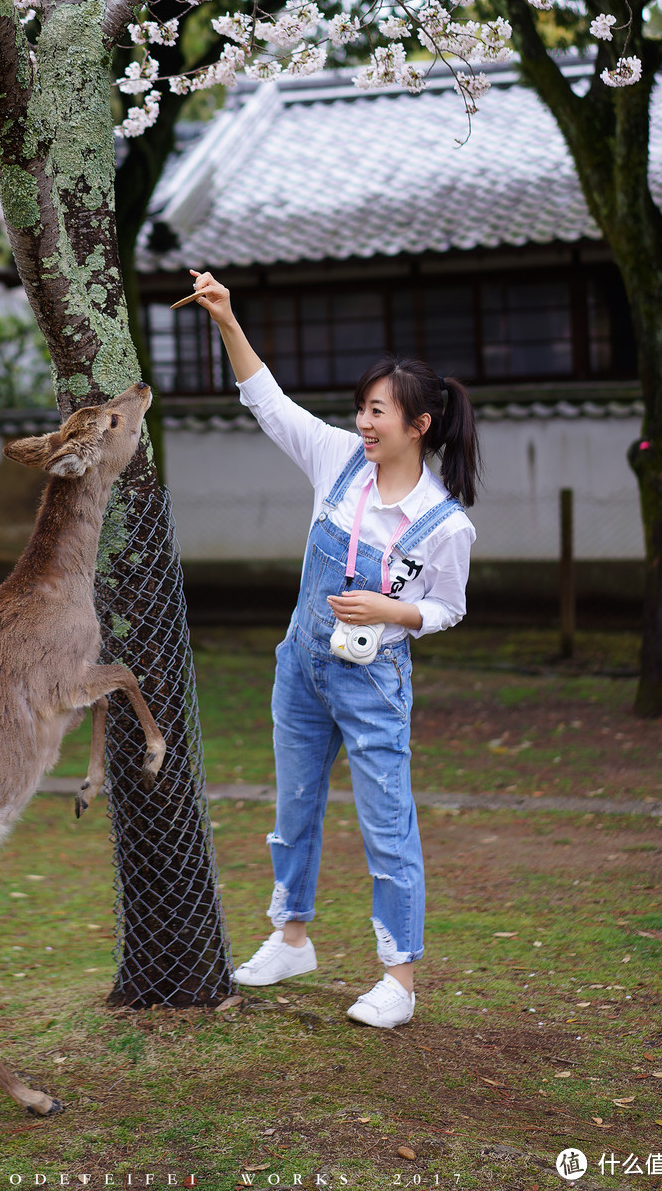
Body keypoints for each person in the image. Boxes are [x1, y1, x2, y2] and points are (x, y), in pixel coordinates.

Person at [189, 269, 479, 1029]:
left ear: (418, 425)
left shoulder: (445, 524)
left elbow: (448, 607)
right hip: (301, 670)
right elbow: (268, 401)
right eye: (360, 408)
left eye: (376, 411)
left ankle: (400, 980)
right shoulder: (337, 463)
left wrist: (393, 610)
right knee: (294, 808)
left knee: (388, 825)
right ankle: (291, 936)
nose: (362, 422)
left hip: (372, 682)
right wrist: (226, 317)